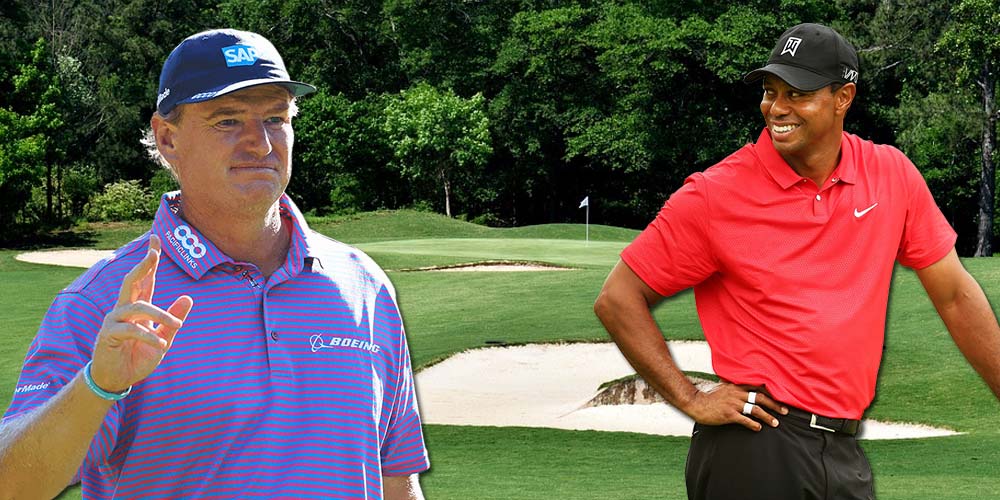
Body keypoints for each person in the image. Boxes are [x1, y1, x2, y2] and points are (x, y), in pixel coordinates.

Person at [0, 29, 429, 499]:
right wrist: (97, 385)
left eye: (275, 118)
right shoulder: (102, 301)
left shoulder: (363, 285)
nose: (260, 143)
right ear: (167, 138)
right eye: (228, 121)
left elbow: (396, 478)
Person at [594, 22, 1000, 499]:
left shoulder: (891, 175)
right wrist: (690, 397)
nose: (777, 108)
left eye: (797, 94)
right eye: (770, 91)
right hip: (756, 446)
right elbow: (617, 298)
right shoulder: (714, 194)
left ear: (843, 98)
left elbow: (955, 296)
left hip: (842, 448)